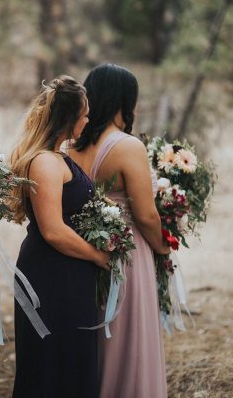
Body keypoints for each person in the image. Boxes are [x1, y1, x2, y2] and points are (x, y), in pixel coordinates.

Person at [69, 63, 171, 398]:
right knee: (128, 335)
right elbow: (145, 215)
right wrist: (163, 247)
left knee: (96, 337)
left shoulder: (69, 146)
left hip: (82, 250)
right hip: (127, 252)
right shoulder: (128, 146)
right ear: (124, 100)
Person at [9, 76, 110, 397]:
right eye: (84, 114)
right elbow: (53, 230)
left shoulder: (60, 157)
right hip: (50, 278)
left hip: (69, 274)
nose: (88, 120)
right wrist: (98, 256)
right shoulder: (45, 163)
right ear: (68, 118)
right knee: (52, 365)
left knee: (73, 360)